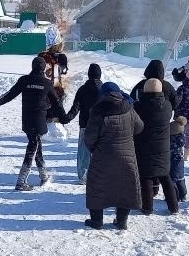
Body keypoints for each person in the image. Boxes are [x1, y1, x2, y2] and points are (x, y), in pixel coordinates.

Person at [0, 56, 66, 191]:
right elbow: (56, 103)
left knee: (36, 147)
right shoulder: (47, 83)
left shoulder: (24, 80)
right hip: (39, 121)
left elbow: (8, 95)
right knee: (33, 147)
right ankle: (21, 181)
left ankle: (44, 176)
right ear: (43, 68)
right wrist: (64, 117)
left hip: (27, 121)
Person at [83, 82, 144, 230]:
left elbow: (90, 137)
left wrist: (95, 149)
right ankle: (122, 221)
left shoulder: (97, 110)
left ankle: (97, 220)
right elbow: (140, 126)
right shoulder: (128, 107)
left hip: (102, 155)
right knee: (125, 186)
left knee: (97, 186)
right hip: (127, 155)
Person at [133, 78, 179, 215]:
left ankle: (147, 207)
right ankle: (174, 206)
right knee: (165, 176)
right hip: (163, 148)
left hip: (144, 146)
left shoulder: (139, 107)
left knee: (146, 176)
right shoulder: (167, 106)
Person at [64, 63, 103, 184]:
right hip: (100, 126)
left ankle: (83, 176)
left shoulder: (83, 89)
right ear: (99, 75)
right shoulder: (104, 89)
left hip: (85, 125)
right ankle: (99, 175)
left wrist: (67, 118)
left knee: (84, 151)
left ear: (88, 74)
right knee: (100, 151)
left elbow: (75, 107)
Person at [170, 116, 188, 201]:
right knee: (180, 178)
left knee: (172, 179)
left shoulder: (170, 138)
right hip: (180, 160)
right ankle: (183, 195)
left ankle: (174, 196)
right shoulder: (181, 137)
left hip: (171, 160)